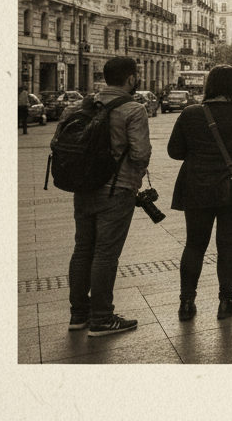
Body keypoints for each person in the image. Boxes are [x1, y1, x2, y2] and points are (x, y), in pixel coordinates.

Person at [166, 65, 232, 322]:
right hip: (231, 190)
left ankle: (186, 303)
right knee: (228, 244)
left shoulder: (190, 114)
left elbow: (174, 151)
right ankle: (226, 301)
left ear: (209, 86)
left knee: (194, 245)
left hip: (196, 187)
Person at [59, 56, 150, 336]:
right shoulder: (133, 110)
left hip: (83, 187)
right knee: (105, 254)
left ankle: (79, 314)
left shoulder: (83, 105)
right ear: (131, 78)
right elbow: (139, 154)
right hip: (116, 189)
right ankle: (101, 317)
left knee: (83, 249)